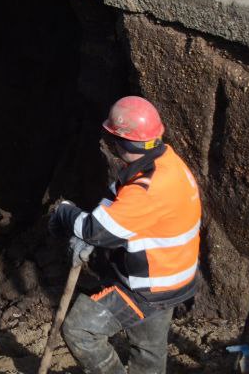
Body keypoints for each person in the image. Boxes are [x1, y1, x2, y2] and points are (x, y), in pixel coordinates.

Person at [48, 96, 202, 374]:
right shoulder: (165, 160)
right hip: (175, 273)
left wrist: (65, 214)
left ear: (121, 141)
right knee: (149, 350)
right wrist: (94, 226)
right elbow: (117, 198)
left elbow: (96, 229)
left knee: (80, 330)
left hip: (149, 286)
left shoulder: (146, 187)